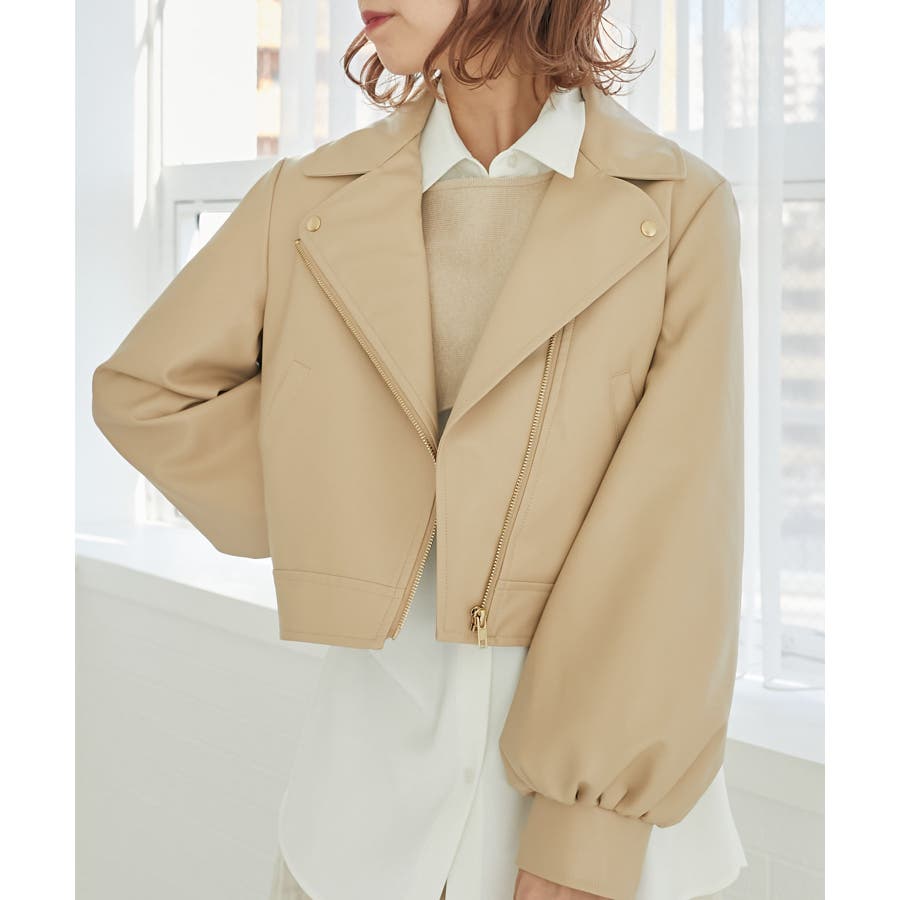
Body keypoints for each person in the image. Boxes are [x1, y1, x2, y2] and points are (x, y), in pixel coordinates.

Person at [91, 2, 748, 899]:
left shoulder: (678, 208)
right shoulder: (312, 199)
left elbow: (675, 539)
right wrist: (361, 506)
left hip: (591, 829)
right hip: (358, 819)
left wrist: (585, 837)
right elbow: (147, 395)